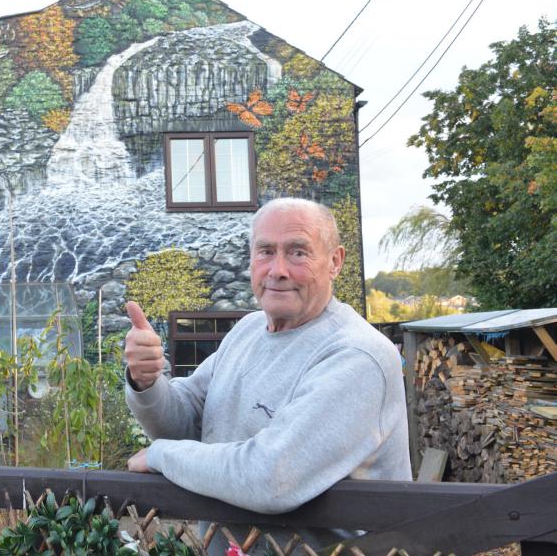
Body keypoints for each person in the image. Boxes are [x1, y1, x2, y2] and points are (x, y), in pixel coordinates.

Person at [125, 197, 411, 522]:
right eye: (266, 252)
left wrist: (161, 456)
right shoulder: (247, 331)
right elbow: (182, 425)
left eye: (298, 252)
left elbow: (272, 478)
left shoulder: (358, 355)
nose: (278, 271)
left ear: (335, 261)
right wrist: (146, 382)